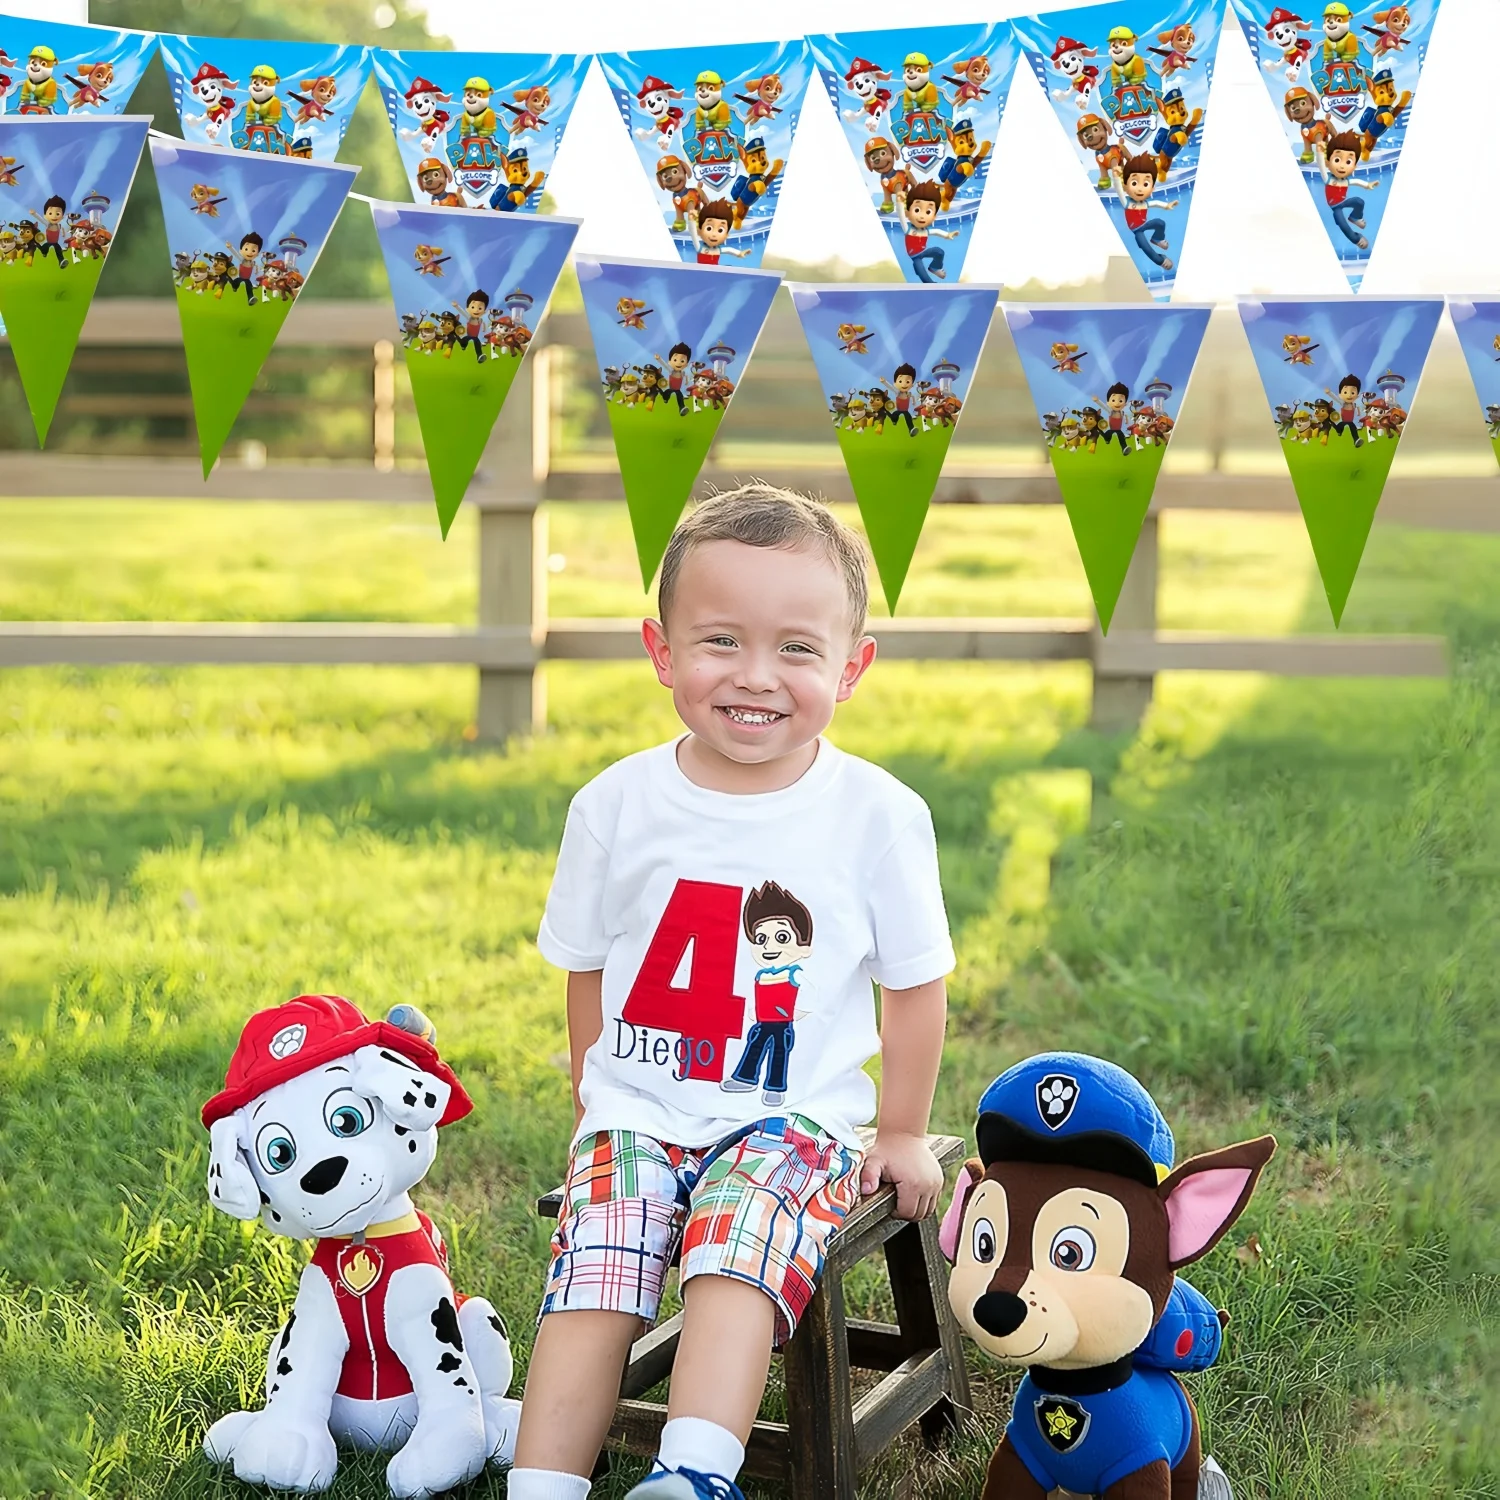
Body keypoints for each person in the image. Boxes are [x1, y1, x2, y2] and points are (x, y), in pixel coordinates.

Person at [512, 485, 955, 1500]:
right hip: (638, 1104)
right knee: (597, 1270)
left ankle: (695, 1474)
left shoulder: (874, 816)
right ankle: (541, 1483)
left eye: (798, 649)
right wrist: (595, 1092)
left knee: (733, 1247)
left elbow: (914, 988)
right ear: (661, 650)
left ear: (853, 666)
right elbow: (586, 962)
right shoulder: (616, 804)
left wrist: (899, 1127)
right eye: (719, 641)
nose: (756, 677)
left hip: (790, 1119)